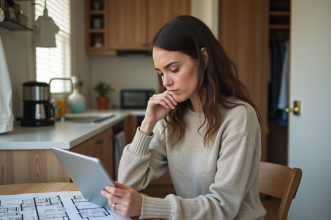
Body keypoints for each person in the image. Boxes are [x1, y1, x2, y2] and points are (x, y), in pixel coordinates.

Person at [101, 15, 268, 220]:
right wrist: (147, 125)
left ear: (204, 59)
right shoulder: (173, 116)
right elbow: (128, 182)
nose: (166, 82)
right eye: (161, 73)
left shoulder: (239, 116)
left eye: (174, 69)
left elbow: (223, 207)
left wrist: (147, 205)